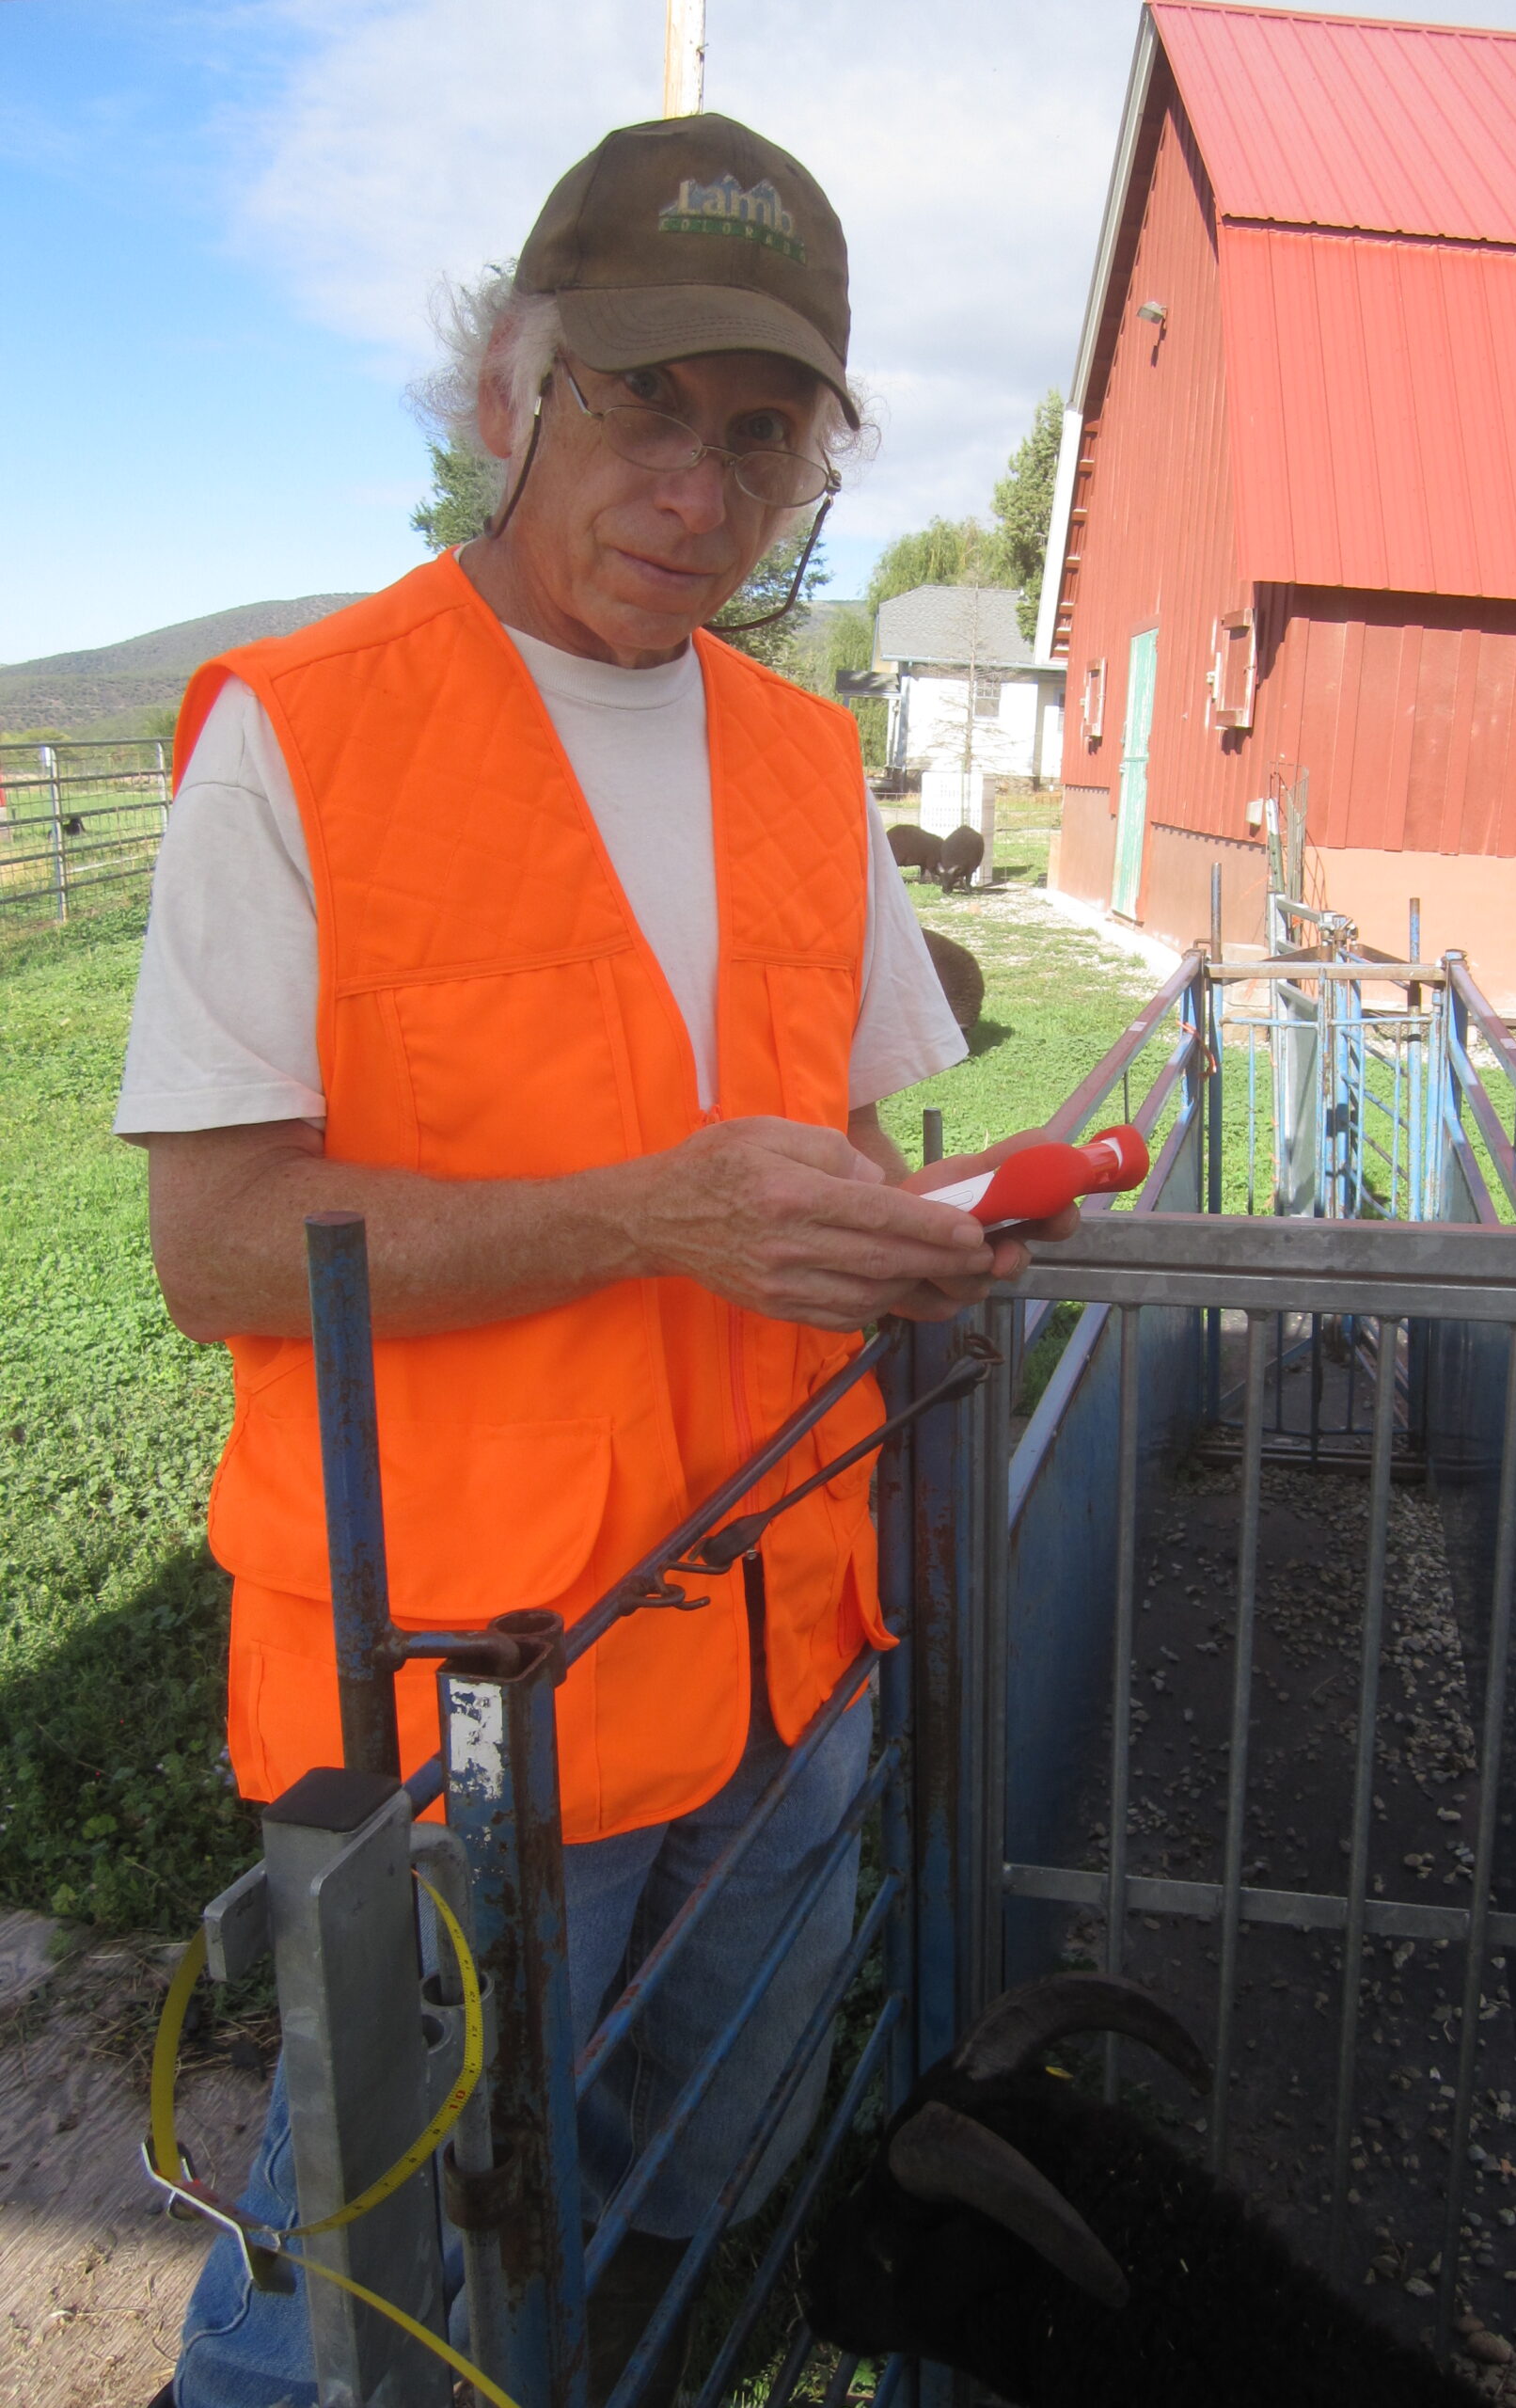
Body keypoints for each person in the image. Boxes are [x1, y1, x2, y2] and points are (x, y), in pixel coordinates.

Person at [120, 112, 1071, 2408]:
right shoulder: (301, 739)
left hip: (781, 1660)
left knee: (672, 2192)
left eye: (766, 438)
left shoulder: (799, 754)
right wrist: (640, 1212)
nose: (701, 490)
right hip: (468, 1701)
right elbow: (216, 1242)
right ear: (503, 391)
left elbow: (831, 1147)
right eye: (644, 403)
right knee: (363, 2280)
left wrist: (913, 1239)